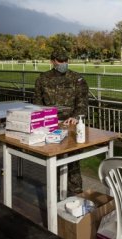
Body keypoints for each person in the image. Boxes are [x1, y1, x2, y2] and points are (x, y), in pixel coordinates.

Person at [34, 49, 89, 195]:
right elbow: (37, 104)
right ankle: (55, 192)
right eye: (60, 61)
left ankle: (76, 193)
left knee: (73, 161)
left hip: (71, 125)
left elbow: (82, 102)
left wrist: (76, 117)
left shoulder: (77, 78)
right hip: (50, 125)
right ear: (52, 61)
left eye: (66, 61)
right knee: (53, 159)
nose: (63, 63)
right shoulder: (42, 79)